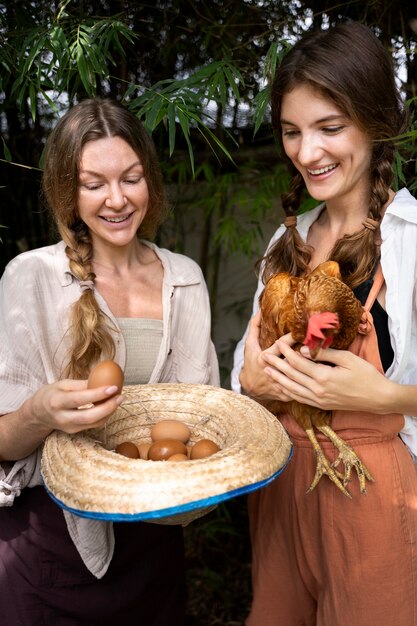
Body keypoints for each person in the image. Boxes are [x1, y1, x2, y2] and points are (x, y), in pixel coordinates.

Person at [0, 97, 219, 625]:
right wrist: (40, 412)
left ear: (151, 182)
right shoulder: (28, 277)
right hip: (49, 547)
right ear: (66, 191)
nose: (116, 199)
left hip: (153, 538)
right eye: (93, 183)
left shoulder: (185, 278)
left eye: (131, 178)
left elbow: (198, 417)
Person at [231, 21, 417, 626]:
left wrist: (385, 395)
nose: (307, 153)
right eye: (292, 131)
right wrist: (253, 382)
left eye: (330, 128)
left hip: (372, 497)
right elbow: (243, 370)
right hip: (282, 488)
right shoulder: (284, 243)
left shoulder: (411, 241)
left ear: (376, 123)